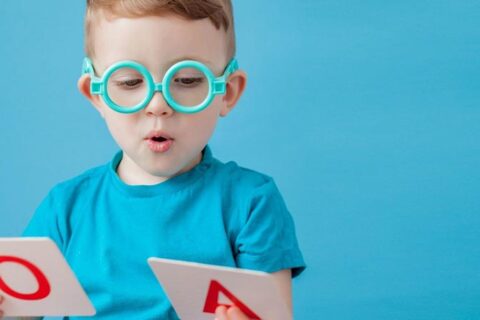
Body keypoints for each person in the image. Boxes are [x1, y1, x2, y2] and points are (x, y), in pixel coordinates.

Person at [2, 0, 305, 319]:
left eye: (187, 80)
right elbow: (18, 312)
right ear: (96, 94)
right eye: (130, 82)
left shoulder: (251, 204)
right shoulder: (65, 207)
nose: (158, 105)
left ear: (227, 92)